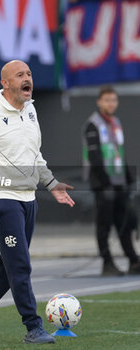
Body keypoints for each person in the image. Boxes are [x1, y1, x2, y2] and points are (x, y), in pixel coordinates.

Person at [0, 60, 75, 344]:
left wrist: (51, 184)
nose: (27, 78)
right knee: (19, 265)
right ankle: (34, 327)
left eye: (29, 74)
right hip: (0, 199)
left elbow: (35, 155)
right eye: (20, 75)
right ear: (5, 83)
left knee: (9, 265)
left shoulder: (31, 110)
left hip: (27, 199)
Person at [83, 85, 140, 276]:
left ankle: (133, 260)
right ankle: (107, 262)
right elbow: (95, 157)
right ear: (99, 102)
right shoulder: (93, 124)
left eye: (114, 100)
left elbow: (119, 153)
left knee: (125, 222)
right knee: (104, 224)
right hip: (103, 183)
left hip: (119, 182)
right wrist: (105, 182)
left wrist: (129, 178)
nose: (111, 103)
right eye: (107, 100)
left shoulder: (116, 122)